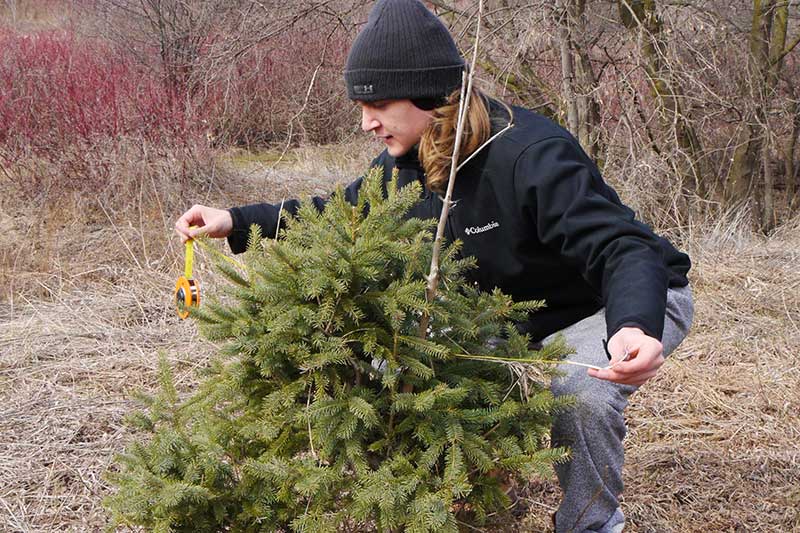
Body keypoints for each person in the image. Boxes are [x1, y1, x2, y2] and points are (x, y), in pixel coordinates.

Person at [175, 1, 693, 531]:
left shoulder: (530, 154)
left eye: (376, 103)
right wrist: (235, 221)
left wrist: (635, 322)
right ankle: (481, 498)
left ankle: (593, 521)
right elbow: (342, 213)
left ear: (427, 94)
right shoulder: (408, 161)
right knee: (411, 359)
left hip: (617, 301)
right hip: (515, 315)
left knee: (578, 389)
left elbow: (624, 247)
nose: (365, 122)